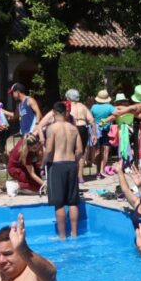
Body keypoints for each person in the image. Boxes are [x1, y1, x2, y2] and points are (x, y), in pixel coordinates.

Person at [43, 102, 83, 239]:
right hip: (71, 164)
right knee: (72, 202)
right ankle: (74, 234)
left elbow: (49, 150)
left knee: (59, 202)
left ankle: (62, 236)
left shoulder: (52, 128)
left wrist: (43, 164)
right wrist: (74, 161)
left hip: (57, 165)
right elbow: (80, 150)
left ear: (54, 113)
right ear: (66, 113)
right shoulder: (74, 129)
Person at [64, 90, 95, 183]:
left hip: (72, 128)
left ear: (68, 97)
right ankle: (80, 176)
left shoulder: (67, 106)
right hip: (83, 128)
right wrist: (94, 134)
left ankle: (72, 175)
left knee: (70, 151)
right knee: (81, 153)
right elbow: (92, 121)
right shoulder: (83, 106)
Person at [89, 89, 115, 175]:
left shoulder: (93, 107)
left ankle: (96, 170)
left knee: (97, 150)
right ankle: (102, 170)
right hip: (106, 130)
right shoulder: (110, 107)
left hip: (96, 131)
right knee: (106, 150)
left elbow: (90, 118)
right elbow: (116, 115)